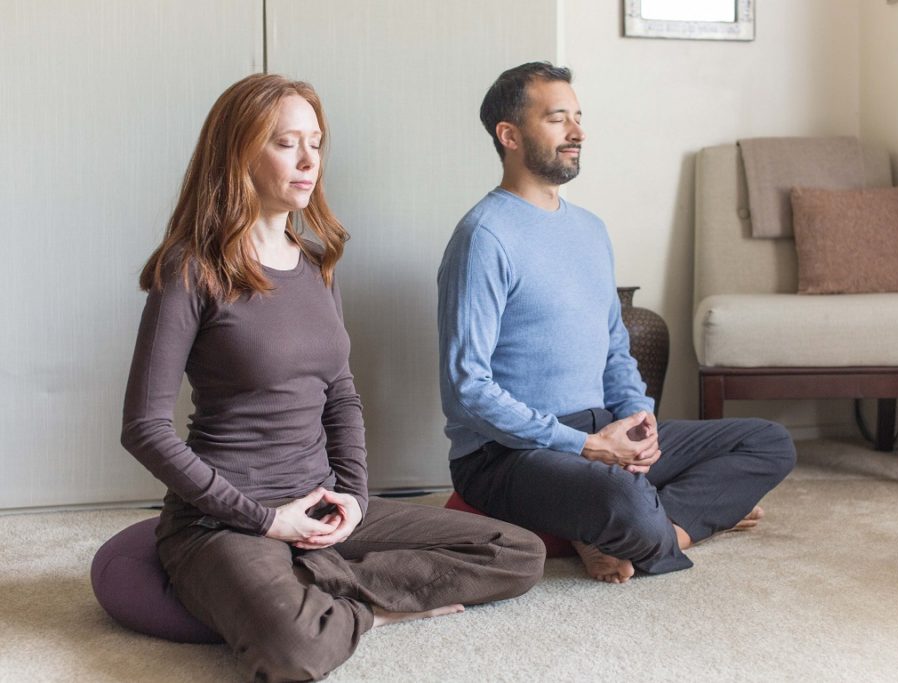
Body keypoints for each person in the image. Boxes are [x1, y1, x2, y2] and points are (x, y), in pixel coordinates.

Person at [121, 73, 545, 683]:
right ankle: (363, 611)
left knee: (518, 553)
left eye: (315, 143)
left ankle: (316, 585)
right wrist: (268, 523)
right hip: (229, 517)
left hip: (323, 505)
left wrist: (350, 495)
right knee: (295, 650)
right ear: (239, 152)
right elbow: (143, 428)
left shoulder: (317, 264)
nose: (307, 160)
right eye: (285, 143)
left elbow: (340, 395)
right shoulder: (191, 270)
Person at [437, 62, 796, 585]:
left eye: (578, 118)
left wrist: (637, 422)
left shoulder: (590, 229)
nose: (578, 132)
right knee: (623, 499)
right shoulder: (483, 237)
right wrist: (585, 447)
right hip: (510, 454)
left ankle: (653, 529)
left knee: (769, 443)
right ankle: (667, 520)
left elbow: (614, 347)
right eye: (558, 119)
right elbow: (467, 389)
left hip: (601, 433)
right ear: (509, 135)